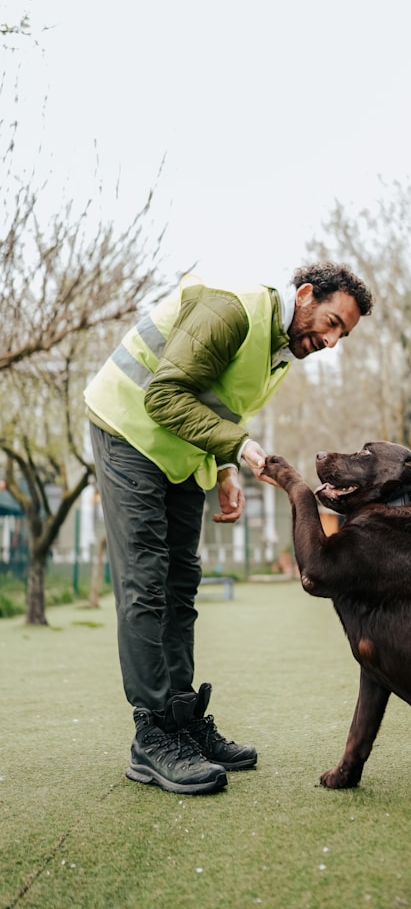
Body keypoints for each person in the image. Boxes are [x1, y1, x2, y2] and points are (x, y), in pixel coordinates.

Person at [84, 261, 374, 795]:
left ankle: (183, 718)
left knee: (181, 582)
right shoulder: (232, 310)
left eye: (343, 335)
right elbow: (164, 394)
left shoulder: (281, 351)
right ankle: (152, 736)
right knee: (146, 581)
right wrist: (238, 449)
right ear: (306, 295)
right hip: (128, 429)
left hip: (174, 449)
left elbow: (215, 402)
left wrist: (222, 469)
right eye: (332, 323)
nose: (332, 341)